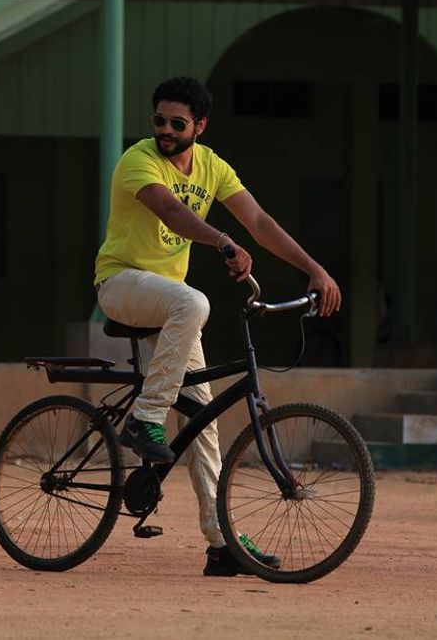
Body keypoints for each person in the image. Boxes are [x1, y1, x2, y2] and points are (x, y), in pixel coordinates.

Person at [93, 77, 341, 576]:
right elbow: (171, 211)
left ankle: (222, 543)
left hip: (170, 305)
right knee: (194, 301)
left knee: (204, 421)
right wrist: (223, 242)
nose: (165, 130)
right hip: (121, 284)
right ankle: (145, 417)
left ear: (199, 126)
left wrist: (314, 269)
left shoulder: (212, 167)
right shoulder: (139, 160)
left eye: (177, 123)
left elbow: (260, 222)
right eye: (159, 120)